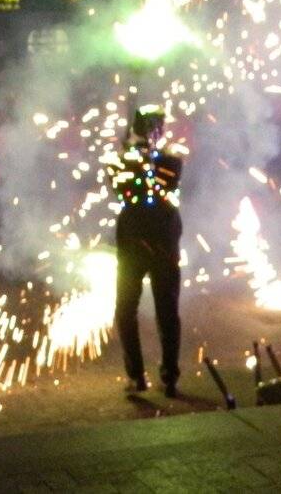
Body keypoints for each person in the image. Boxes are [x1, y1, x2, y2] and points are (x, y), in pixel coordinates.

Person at [106, 104, 184, 397]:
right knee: (136, 310)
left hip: (149, 243)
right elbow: (127, 190)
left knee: (158, 311)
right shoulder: (129, 160)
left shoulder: (167, 160)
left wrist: (140, 156)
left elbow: (159, 185)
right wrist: (139, 156)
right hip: (144, 244)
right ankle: (148, 375)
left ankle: (157, 376)